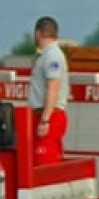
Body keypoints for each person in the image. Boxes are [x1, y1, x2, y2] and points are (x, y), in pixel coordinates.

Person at [30, 15, 69, 164]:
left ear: (38, 33)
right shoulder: (47, 55)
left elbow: (53, 87)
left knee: (44, 163)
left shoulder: (52, 56)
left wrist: (45, 120)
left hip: (50, 116)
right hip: (47, 115)